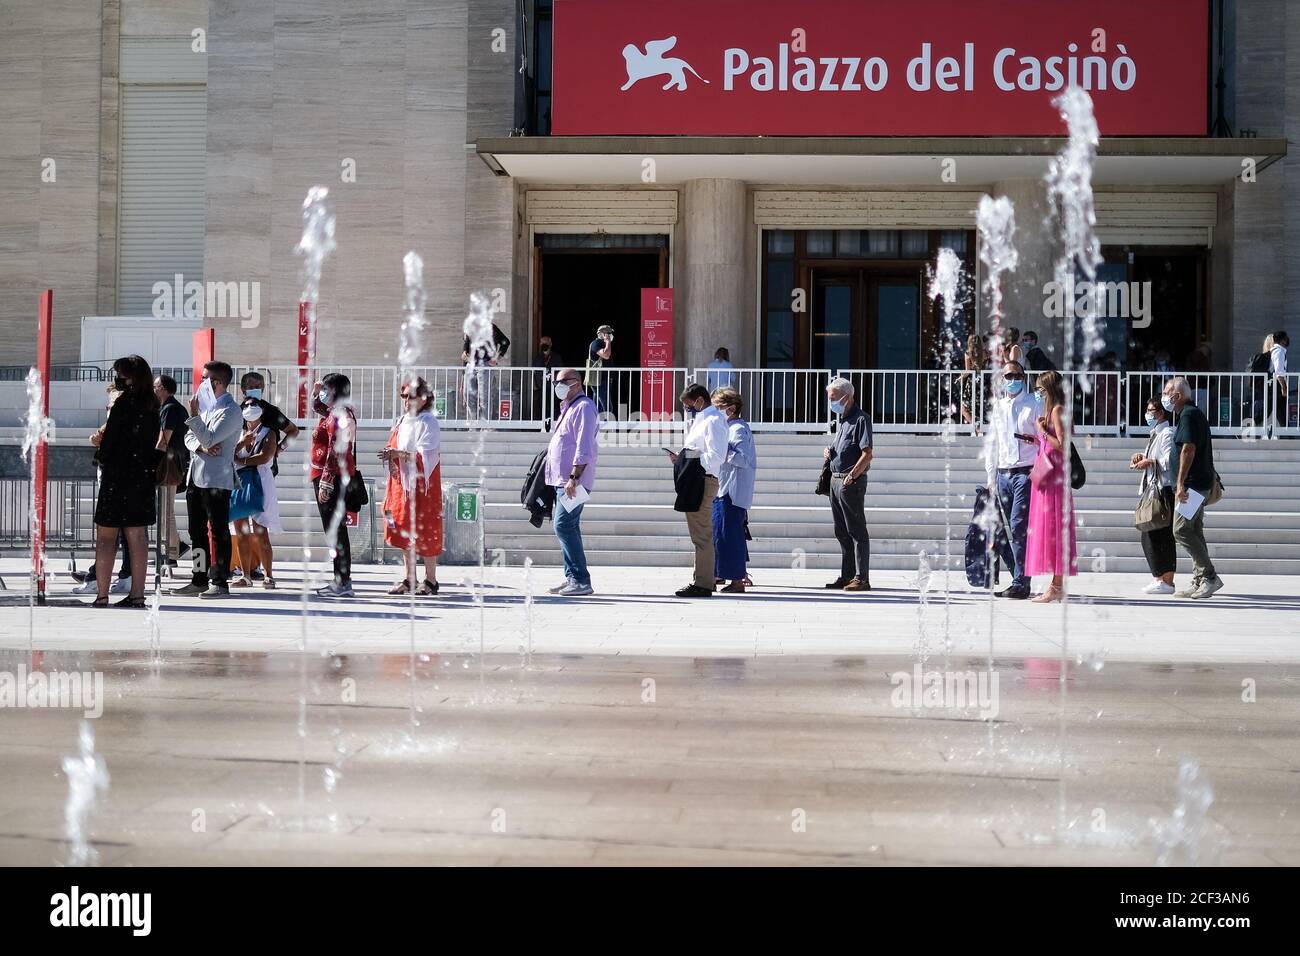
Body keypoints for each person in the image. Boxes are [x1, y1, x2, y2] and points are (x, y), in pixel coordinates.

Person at [86, 355, 160, 607]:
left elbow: (111, 442)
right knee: (138, 535)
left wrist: (100, 446)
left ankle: (102, 595)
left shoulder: (122, 404)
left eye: (121, 374)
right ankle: (138, 594)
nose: (117, 378)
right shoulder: (152, 405)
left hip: (117, 476)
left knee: (106, 536)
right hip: (142, 476)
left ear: (130, 377)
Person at [172, 361, 243, 599]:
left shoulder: (231, 411)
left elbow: (210, 438)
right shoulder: (208, 409)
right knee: (196, 530)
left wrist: (195, 420)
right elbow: (190, 439)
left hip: (216, 479)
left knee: (218, 530)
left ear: (217, 382)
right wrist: (201, 447)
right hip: (196, 475)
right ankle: (199, 577)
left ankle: (220, 580)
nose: (201, 384)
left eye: (205, 379)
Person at [229, 372, 297, 580]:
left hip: (262, 473)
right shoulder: (235, 412)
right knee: (240, 528)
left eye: (259, 385)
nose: (256, 387)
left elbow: (293, 431)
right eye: (251, 385)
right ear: (242, 389)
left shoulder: (269, 411)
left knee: (260, 527)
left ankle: (265, 572)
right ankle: (245, 572)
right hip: (239, 476)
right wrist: (240, 449)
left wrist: (279, 449)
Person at [380, 377, 443, 595]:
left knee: (425, 530)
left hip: (423, 487)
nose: (406, 400)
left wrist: (398, 454)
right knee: (403, 528)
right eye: (404, 396)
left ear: (424, 399)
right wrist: (390, 456)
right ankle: (409, 578)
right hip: (401, 487)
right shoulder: (401, 421)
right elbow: (393, 444)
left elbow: (426, 453)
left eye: (411, 396)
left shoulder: (428, 422)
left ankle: (431, 580)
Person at [986, 360, 1042, 600]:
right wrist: (990, 478)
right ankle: (1019, 574)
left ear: (1024, 376)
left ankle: (1021, 581)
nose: (1012, 379)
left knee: (1019, 525)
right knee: (1009, 527)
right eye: (1008, 376)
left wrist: (1036, 441)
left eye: (1016, 375)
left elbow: (1047, 439)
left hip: (1026, 472)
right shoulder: (998, 406)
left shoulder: (1034, 403)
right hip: (1003, 473)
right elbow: (992, 443)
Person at [667, 383, 729, 598]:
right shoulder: (702, 420)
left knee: (702, 534)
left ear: (700, 400)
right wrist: (682, 458)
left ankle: (703, 583)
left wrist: (689, 460)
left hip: (703, 480)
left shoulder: (714, 420)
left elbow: (717, 455)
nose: (687, 409)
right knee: (699, 533)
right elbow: (698, 451)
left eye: (688, 404)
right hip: (697, 479)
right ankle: (703, 579)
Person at [1165, 376, 1224, 599]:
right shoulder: (1190, 414)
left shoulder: (1189, 415)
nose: (1165, 396)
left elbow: (1188, 450)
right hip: (1197, 484)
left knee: (1180, 530)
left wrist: (1180, 483)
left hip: (1192, 486)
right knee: (1194, 530)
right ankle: (1200, 579)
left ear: (1177, 396)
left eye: (1167, 392)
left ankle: (1209, 577)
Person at [1024, 370, 1077, 603]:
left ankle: (1056, 586)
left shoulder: (1057, 410)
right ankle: (1056, 585)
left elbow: (1063, 445)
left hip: (1054, 477)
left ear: (1050, 390)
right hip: (1048, 474)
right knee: (1051, 528)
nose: (1038, 393)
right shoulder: (1053, 411)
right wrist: (1038, 439)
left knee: (1054, 528)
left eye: (1040, 389)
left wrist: (1042, 431)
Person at [545, 367, 599, 596]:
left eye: (562, 381)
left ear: (575, 382)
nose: (557, 385)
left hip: (574, 481)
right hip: (563, 480)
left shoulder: (584, 407)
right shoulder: (569, 407)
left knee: (563, 525)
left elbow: (584, 446)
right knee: (569, 526)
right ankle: (572, 577)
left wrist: (574, 478)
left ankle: (580, 580)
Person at [822, 377, 874, 592]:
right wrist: (829, 452)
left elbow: (867, 453)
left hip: (849, 481)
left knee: (856, 531)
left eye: (833, 398)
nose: (831, 402)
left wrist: (852, 476)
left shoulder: (861, 419)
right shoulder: (842, 420)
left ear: (847, 397)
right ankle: (847, 575)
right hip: (835, 480)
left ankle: (862, 577)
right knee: (841, 530)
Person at [311, 373, 359, 597]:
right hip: (329, 476)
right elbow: (318, 407)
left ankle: (342, 581)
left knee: (336, 532)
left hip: (332, 478)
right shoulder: (334, 412)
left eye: (325, 389)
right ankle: (340, 579)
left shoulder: (340, 414)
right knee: (335, 531)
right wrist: (315, 393)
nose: (322, 393)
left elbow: (334, 450)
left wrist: (326, 482)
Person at [228, 400, 281, 589]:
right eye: (246, 405)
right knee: (242, 531)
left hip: (260, 482)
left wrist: (240, 460)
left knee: (261, 531)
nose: (250, 408)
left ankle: (268, 575)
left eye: (253, 404)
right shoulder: (238, 433)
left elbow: (265, 457)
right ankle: (245, 575)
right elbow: (227, 453)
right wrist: (242, 443)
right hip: (240, 482)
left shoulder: (269, 432)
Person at [710, 387, 755, 593]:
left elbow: (743, 459)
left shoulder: (737, 429)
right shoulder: (727, 428)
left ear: (731, 408)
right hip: (723, 488)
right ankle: (722, 573)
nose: (715, 411)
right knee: (721, 533)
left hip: (732, 491)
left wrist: (723, 450)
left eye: (718, 407)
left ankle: (737, 579)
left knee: (731, 535)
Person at [1131, 395, 1177, 594]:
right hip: (1153, 488)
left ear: (1160, 413)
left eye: (1150, 411)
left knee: (1161, 535)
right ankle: (1159, 577)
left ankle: (1166, 580)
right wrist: (1143, 458)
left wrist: (1150, 462)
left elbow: (1169, 461)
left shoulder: (1167, 433)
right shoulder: (1155, 434)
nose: (1147, 414)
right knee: (1150, 534)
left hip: (1163, 490)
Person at [153, 374, 190, 569]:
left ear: (164, 389)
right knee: (165, 510)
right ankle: (174, 548)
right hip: (173, 464)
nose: (154, 390)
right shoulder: (174, 408)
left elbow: (163, 441)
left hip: (169, 465)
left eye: (156, 386)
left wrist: (150, 462)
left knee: (166, 510)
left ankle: (171, 552)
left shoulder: (170, 409)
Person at [462, 322, 510, 420]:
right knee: (468, 395)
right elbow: (466, 346)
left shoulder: (491, 327)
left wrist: (497, 358)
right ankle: (473, 426)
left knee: (484, 397)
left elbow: (505, 342)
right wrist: (464, 355)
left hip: (484, 364)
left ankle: (485, 426)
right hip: (471, 364)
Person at [958, 334, 989, 431]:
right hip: (982, 381)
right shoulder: (984, 353)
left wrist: (960, 378)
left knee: (964, 408)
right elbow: (986, 367)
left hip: (972, 382)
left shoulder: (968, 353)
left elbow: (968, 371)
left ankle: (976, 427)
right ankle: (980, 427)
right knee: (980, 406)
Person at [530, 335, 562, 422]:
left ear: (550, 344)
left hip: (553, 389)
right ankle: (541, 428)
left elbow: (560, 372)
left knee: (554, 408)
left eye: (546, 342)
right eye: (542, 343)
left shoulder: (556, 357)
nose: (544, 344)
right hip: (541, 389)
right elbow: (533, 373)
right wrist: (535, 387)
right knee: (540, 409)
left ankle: (554, 426)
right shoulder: (537, 358)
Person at [585, 325, 614, 414]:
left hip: (604, 380)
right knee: (607, 408)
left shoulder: (603, 344)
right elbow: (606, 355)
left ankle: (596, 426)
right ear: (603, 334)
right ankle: (606, 426)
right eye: (609, 333)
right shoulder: (596, 343)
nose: (611, 335)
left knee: (598, 407)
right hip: (598, 380)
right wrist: (608, 341)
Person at [1271, 330, 1290, 432]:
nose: (1287, 340)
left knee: (1278, 409)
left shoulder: (1274, 350)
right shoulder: (1280, 351)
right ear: (1282, 340)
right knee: (1281, 410)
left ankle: (1284, 432)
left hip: (1276, 382)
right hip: (1278, 383)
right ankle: (1286, 433)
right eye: (1286, 338)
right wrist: (1284, 387)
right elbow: (1279, 371)